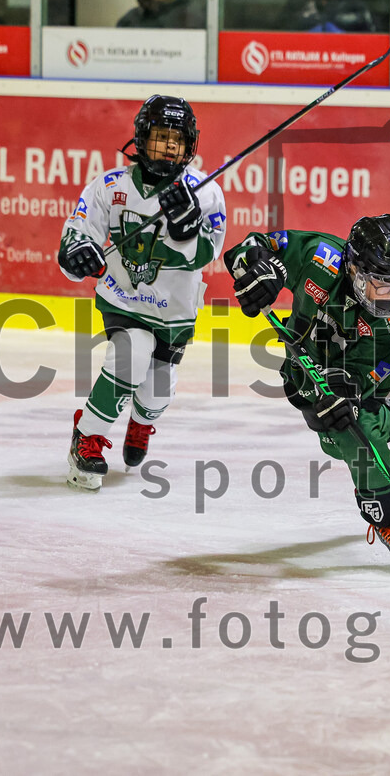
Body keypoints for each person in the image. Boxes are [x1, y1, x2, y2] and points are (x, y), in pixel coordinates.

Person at [223, 216, 390, 569]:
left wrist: (344, 391)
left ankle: (386, 517)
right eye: (384, 285)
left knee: (352, 431)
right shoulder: (322, 257)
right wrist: (257, 269)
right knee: (335, 437)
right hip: (300, 371)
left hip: (355, 387)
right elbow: (249, 248)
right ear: (355, 270)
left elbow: (364, 380)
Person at [59, 96, 226, 492]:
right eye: (161, 136)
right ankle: (87, 438)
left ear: (190, 146)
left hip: (175, 310)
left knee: (157, 392)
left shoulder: (204, 193)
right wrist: (75, 253)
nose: (169, 146)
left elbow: (208, 251)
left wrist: (187, 229)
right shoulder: (110, 185)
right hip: (124, 299)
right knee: (131, 352)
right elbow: (77, 232)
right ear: (141, 138)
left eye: (177, 139)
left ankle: (142, 421)